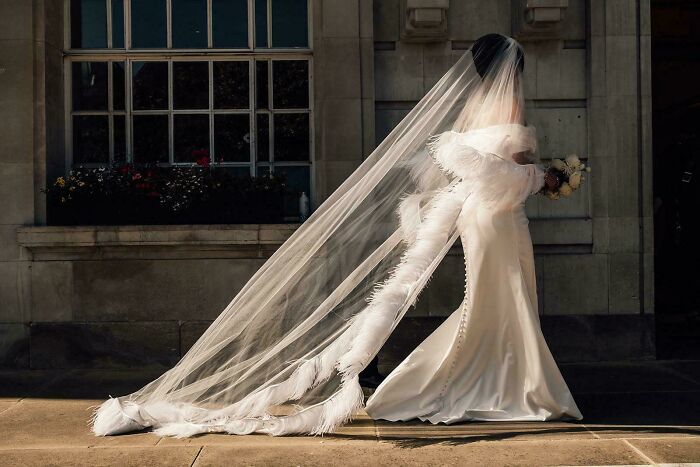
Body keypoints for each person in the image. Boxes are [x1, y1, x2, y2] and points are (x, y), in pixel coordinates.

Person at [92, 33, 580, 438]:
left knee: (494, 297)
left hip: (483, 217)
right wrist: (546, 177)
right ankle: (511, 385)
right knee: (508, 294)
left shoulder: (473, 107)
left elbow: (454, 167)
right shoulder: (509, 102)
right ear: (509, 70)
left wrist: (535, 175)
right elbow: (499, 173)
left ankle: (498, 380)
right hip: (496, 217)